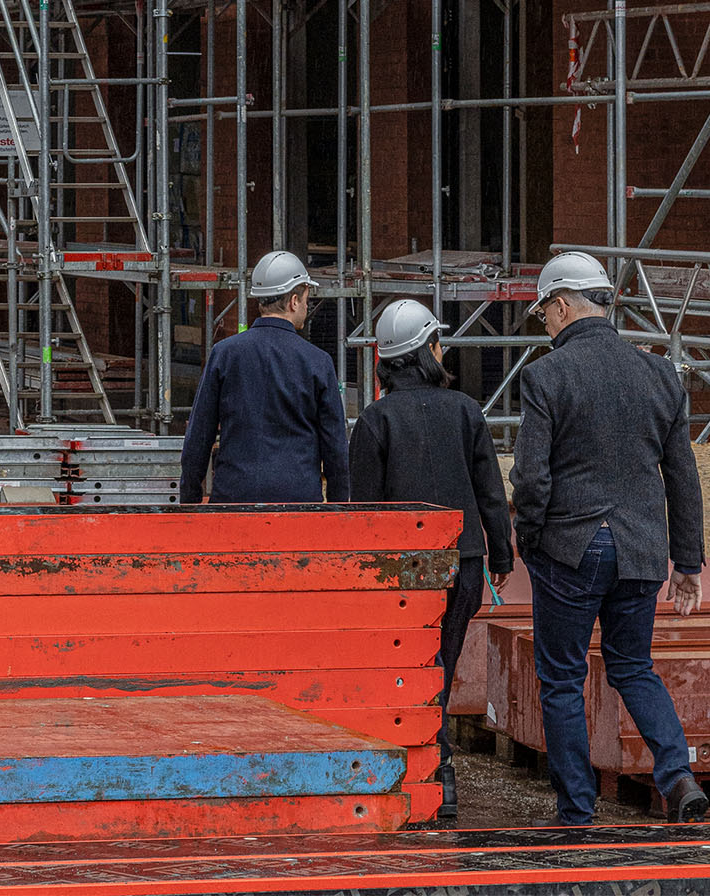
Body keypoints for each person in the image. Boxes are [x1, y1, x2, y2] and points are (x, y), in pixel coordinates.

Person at [511, 250, 710, 825]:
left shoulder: (546, 375)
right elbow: (682, 476)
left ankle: (577, 809)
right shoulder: (658, 374)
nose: (544, 325)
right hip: (642, 550)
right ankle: (676, 775)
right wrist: (687, 562)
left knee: (562, 679)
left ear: (563, 304)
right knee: (633, 667)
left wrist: (532, 539)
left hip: (572, 548)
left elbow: (532, 475)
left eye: (544, 313)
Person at [348, 298, 511, 821]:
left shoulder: (374, 421)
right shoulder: (464, 410)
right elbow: (490, 491)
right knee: (442, 662)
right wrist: (500, 554)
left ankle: (427, 768)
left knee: (412, 668)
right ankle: (439, 772)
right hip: (462, 562)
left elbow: (363, 514)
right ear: (427, 352)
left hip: (404, 571)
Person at [179, 250, 349, 504]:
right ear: (293, 301)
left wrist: (189, 500)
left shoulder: (224, 354)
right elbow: (335, 446)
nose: (306, 305)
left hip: (234, 497)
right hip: (298, 502)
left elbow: (198, 435)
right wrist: (338, 505)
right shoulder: (317, 361)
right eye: (305, 299)